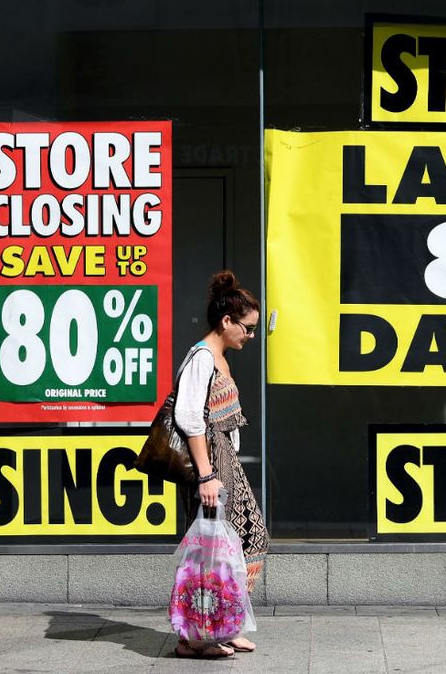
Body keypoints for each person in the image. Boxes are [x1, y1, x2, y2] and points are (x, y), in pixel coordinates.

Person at [171, 270, 268, 659]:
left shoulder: (219, 358)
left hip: (225, 460)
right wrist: (206, 475)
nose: (251, 336)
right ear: (226, 321)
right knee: (210, 551)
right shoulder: (201, 359)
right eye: (247, 328)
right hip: (209, 465)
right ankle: (198, 637)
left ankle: (226, 624)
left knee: (246, 540)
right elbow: (189, 418)